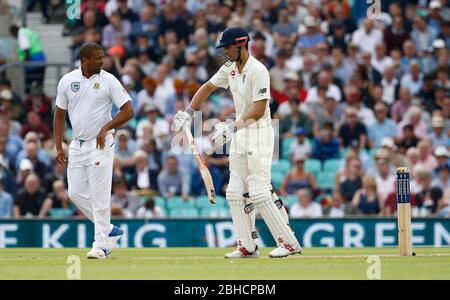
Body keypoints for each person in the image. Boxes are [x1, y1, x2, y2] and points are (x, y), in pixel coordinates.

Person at [173, 27, 301, 258]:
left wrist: (232, 126)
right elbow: (208, 87)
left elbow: (260, 109)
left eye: (228, 47)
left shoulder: (258, 70)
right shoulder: (229, 68)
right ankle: (247, 246)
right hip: (242, 133)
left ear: (241, 44)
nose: (225, 52)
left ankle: (289, 243)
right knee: (234, 192)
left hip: (260, 132)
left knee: (259, 191)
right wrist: (189, 112)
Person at [54, 42, 133, 259]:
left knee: (99, 197)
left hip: (101, 143)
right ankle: (108, 230)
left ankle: (101, 245)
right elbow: (59, 114)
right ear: (85, 60)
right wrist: (58, 144)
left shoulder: (109, 80)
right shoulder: (67, 81)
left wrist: (107, 127)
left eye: (103, 57)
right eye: (98, 58)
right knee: (74, 193)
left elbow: (128, 111)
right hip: (77, 145)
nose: (102, 61)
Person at [9, 25, 46, 92]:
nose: (15, 38)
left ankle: (27, 99)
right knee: (39, 84)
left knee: (26, 85)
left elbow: (26, 50)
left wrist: (24, 63)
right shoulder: (27, 31)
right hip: (41, 60)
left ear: (14, 32)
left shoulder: (21, 34)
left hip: (33, 63)